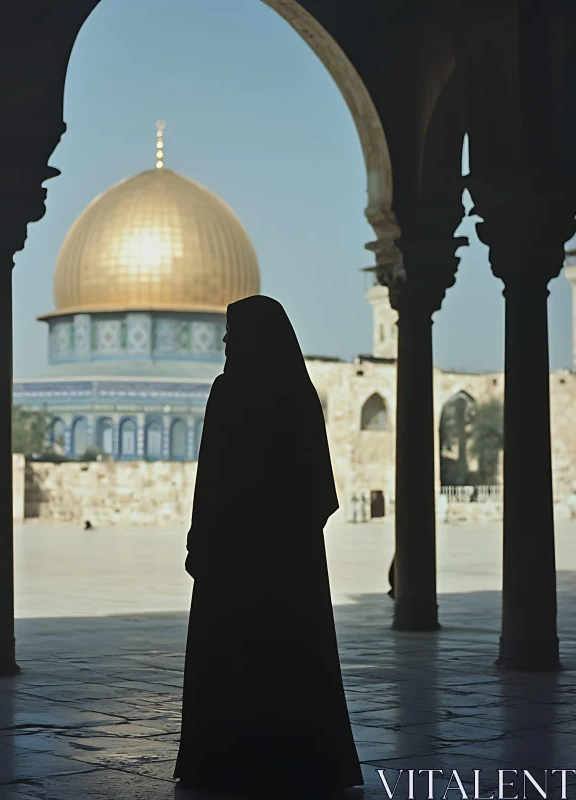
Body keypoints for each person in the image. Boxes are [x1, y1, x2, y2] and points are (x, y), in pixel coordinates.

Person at [175, 295, 363, 795]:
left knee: (231, 660)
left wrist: (205, 539)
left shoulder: (228, 391)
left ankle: (225, 761)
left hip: (232, 562)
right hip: (288, 566)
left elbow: (210, 478)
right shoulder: (298, 395)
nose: (225, 344)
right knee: (291, 660)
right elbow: (321, 492)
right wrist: (285, 533)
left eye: (232, 335)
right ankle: (302, 761)